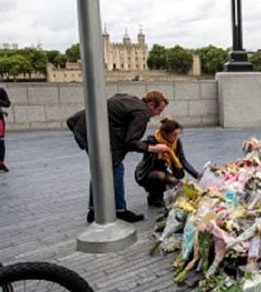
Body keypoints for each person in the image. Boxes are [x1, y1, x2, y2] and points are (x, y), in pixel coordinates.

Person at [66, 90, 169, 223]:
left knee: (101, 171)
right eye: (159, 110)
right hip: (90, 132)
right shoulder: (141, 113)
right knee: (116, 169)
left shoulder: (131, 99)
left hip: (83, 128)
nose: (158, 114)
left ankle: (94, 211)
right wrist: (153, 148)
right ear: (150, 104)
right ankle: (120, 210)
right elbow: (131, 142)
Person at [135, 118, 199, 209]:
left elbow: (183, 160)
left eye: (177, 134)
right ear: (165, 133)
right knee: (159, 176)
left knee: (174, 180)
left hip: (162, 169)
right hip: (146, 171)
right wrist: (153, 148)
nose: (176, 137)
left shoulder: (176, 142)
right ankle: (154, 196)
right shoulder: (153, 140)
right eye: (174, 135)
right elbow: (137, 146)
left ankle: (156, 196)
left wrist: (196, 175)